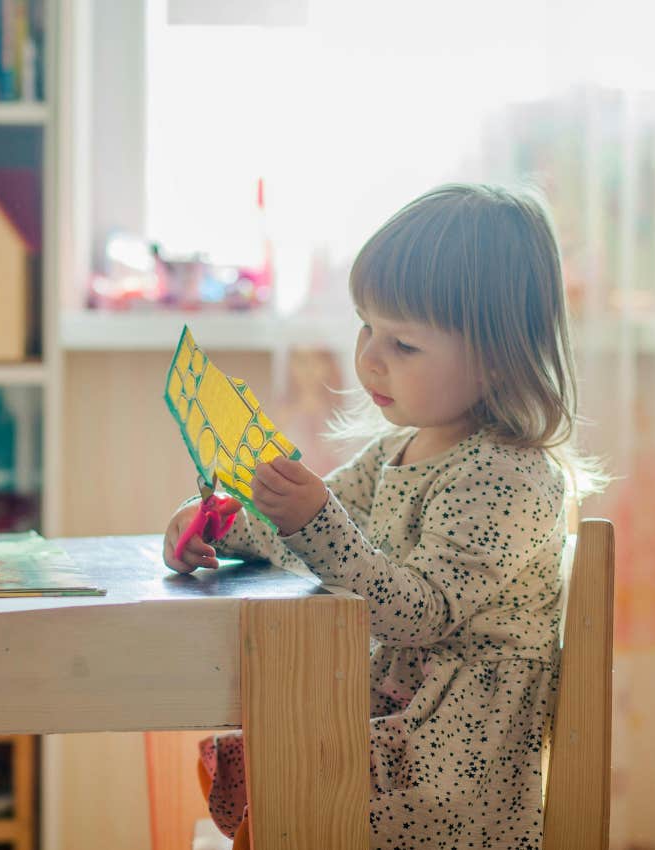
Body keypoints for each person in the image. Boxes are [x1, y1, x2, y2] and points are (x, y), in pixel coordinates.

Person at [165, 183, 602, 849]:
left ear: (496, 357)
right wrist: (222, 528)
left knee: (289, 770)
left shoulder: (510, 474)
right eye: (367, 326)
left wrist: (311, 520)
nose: (369, 355)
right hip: (395, 719)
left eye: (403, 344)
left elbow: (418, 612)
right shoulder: (395, 449)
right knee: (274, 750)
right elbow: (314, 534)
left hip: (451, 765)